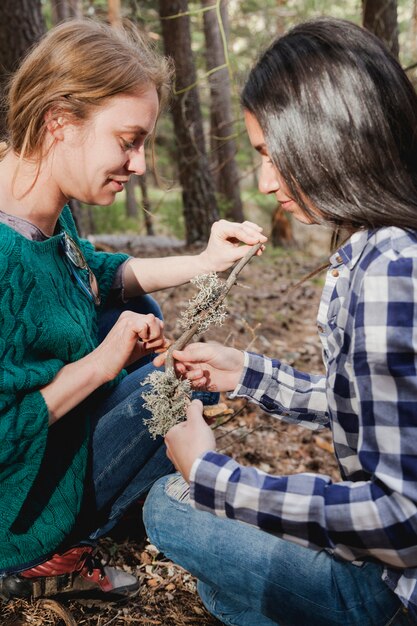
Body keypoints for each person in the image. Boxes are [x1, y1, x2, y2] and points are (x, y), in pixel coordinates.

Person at [144, 17, 417, 626]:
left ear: (330, 136)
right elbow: (375, 410)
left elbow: (402, 523)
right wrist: (247, 372)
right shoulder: (379, 250)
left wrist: (212, 476)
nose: (266, 181)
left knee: (168, 506)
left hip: (392, 594)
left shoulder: (391, 272)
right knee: (224, 584)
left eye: (271, 153)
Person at [0, 18, 267, 602]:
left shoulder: (41, 200)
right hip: (10, 508)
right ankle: (51, 553)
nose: (141, 163)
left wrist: (204, 262)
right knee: (181, 383)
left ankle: (135, 482)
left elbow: (93, 274)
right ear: (60, 123)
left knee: (138, 309)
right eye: (128, 140)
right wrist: (100, 365)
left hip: (52, 436)